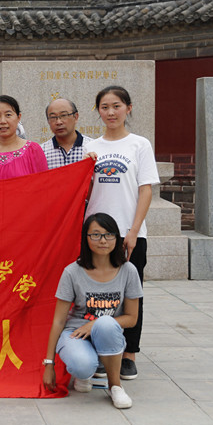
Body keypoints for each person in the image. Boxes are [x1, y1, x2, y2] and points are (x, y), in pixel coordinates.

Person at [84, 85, 159, 380]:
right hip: (96, 233)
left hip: (129, 233)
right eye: (104, 107)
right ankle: (102, 350)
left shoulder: (139, 145)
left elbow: (145, 190)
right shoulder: (91, 147)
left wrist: (134, 230)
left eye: (116, 106)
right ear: (98, 111)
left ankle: (129, 354)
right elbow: (85, 191)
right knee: (97, 294)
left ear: (128, 108)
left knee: (130, 295)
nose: (110, 112)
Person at [42, 213, 142, 409]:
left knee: (105, 323)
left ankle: (115, 387)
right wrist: (49, 364)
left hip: (108, 333)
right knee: (82, 365)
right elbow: (59, 321)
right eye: (95, 235)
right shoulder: (72, 272)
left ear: (117, 238)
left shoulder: (128, 271)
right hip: (75, 333)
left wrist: (94, 324)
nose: (103, 240)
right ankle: (85, 374)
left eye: (109, 234)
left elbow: (132, 318)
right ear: (86, 238)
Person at [0, 95, 47, 182]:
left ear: (18, 117)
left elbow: (43, 184)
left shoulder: (33, 150)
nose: (3, 121)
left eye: (8, 115)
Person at [41, 98, 93, 169]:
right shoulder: (41, 152)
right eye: (53, 117)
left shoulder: (92, 147)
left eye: (63, 115)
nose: (59, 122)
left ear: (76, 117)